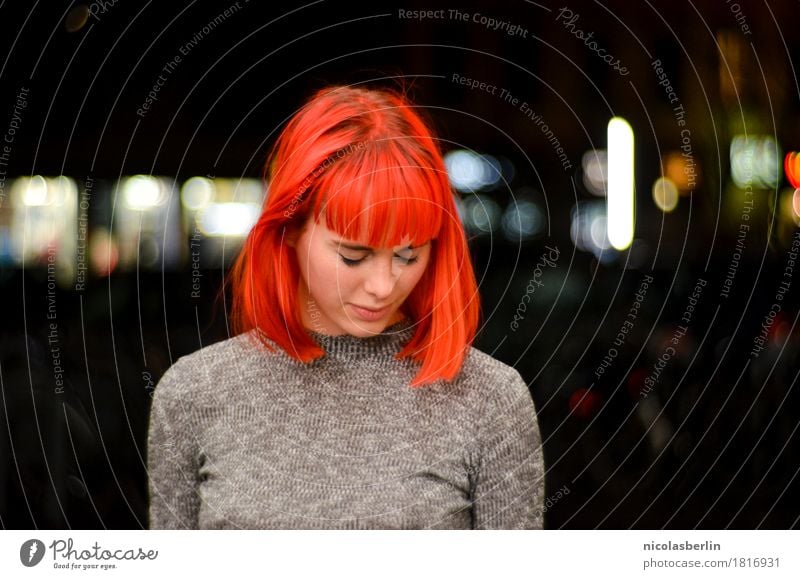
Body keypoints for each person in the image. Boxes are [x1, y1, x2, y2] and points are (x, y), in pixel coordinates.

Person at [147, 84, 546, 529]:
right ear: (289, 229)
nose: (382, 286)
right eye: (353, 255)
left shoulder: (489, 400)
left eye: (408, 254)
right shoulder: (192, 394)